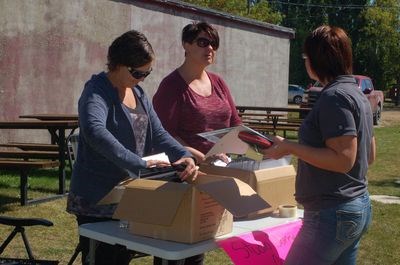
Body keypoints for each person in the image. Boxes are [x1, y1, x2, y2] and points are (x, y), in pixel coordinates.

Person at [66, 30, 198, 265]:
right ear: (118, 64)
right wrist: (139, 164)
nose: (142, 78)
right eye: (138, 72)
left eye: (147, 73)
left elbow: (158, 133)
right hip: (97, 201)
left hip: (129, 196)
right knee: (106, 259)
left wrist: (183, 154)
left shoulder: (138, 92)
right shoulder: (96, 91)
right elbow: (95, 132)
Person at [261, 25, 376, 265]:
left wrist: (290, 147)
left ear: (314, 60)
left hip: (332, 213)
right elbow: (369, 156)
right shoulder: (358, 94)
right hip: (354, 207)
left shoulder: (335, 97)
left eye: (305, 57)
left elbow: (344, 159)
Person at [153, 21, 241, 163]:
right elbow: (164, 134)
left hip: (222, 164)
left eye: (214, 44)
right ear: (186, 44)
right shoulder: (171, 86)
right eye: (203, 42)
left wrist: (259, 146)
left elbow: (235, 124)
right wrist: (203, 158)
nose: (210, 48)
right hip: (188, 168)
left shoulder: (219, 82)